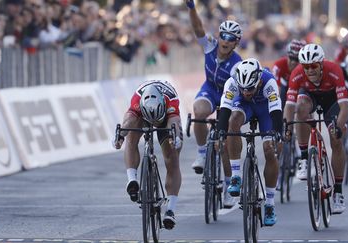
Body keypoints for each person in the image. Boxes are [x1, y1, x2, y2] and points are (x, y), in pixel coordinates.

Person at [185, 0, 242, 208]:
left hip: (228, 95)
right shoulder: (209, 45)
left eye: (231, 39)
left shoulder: (237, 64)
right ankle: (201, 154)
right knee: (198, 111)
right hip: (209, 89)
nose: (225, 41)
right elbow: (197, 27)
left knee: (225, 143)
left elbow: (237, 93)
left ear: (236, 43)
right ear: (218, 36)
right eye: (223, 36)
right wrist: (191, 8)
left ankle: (228, 187)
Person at [284, 44, 348, 214]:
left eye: (313, 66)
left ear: (321, 64)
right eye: (306, 67)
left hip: (331, 100)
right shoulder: (297, 73)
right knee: (301, 108)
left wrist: (339, 128)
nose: (310, 70)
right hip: (310, 96)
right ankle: (305, 159)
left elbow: (344, 107)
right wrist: (287, 127)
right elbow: (289, 106)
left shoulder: (334, 70)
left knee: (336, 140)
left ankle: (338, 193)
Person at [217, 58, 283, 226]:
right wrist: (222, 132)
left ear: (259, 80)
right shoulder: (232, 82)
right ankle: (236, 176)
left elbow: (276, 111)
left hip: (265, 110)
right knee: (233, 122)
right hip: (244, 107)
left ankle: (269, 203)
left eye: (251, 88)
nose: (246, 91)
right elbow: (224, 109)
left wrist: (277, 134)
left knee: (269, 150)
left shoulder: (269, 82)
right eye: (243, 88)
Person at [114, 80, 183, 230]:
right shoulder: (137, 101)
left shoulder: (171, 101)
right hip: (143, 113)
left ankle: (170, 209)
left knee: (172, 158)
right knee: (131, 138)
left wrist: (175, 138)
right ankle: (132, 180)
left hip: (166, 117)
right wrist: (120, 136)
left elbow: (175, 123)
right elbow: (128, 121)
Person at [271, 39, 307, 109]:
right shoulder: (279, 64)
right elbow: (275, 87)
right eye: (291, 58)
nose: (293, 62)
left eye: (297, 59)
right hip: (285, 86)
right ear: (287, 56)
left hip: (300, 87)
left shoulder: (306, 66)